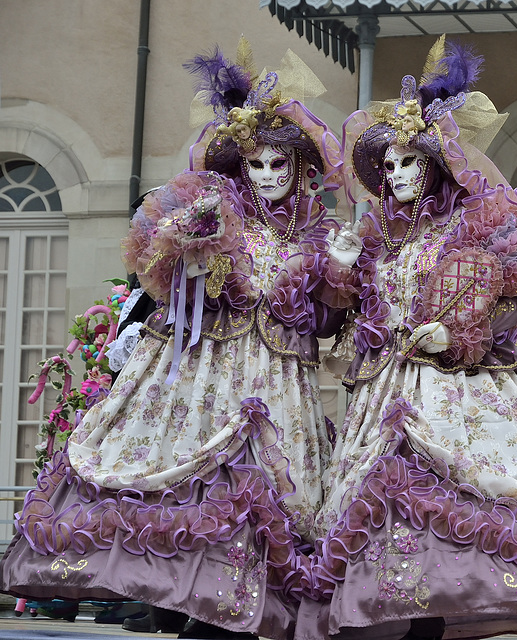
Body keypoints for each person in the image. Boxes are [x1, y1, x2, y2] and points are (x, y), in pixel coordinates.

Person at [294, 37, 517, 640]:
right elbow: (344, 316)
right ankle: (390, 611)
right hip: (386, 391)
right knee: (387, 499)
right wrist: (343, 270)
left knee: (457, 494)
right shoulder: (379, 237)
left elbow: (508, 301)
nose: (398, 174)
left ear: (435, 165)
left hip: (461, 388)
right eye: (390, 165)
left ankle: (442, 612)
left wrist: (456, 332)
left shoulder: (476, 225)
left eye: (411, 162)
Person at [0, 42, 347, 640]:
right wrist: (189, 250)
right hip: (209, 377)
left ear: (300, 170)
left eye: (278, 166)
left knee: (273, 501)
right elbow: (169, 281)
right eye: (255, 165)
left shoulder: (318, 234)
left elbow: (325, 322)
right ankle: (197, 607)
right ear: (239, 166)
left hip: (282, 382)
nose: (265, 176)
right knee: (197, 488)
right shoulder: (216, 215)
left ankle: (251, 610)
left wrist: (337, 275)